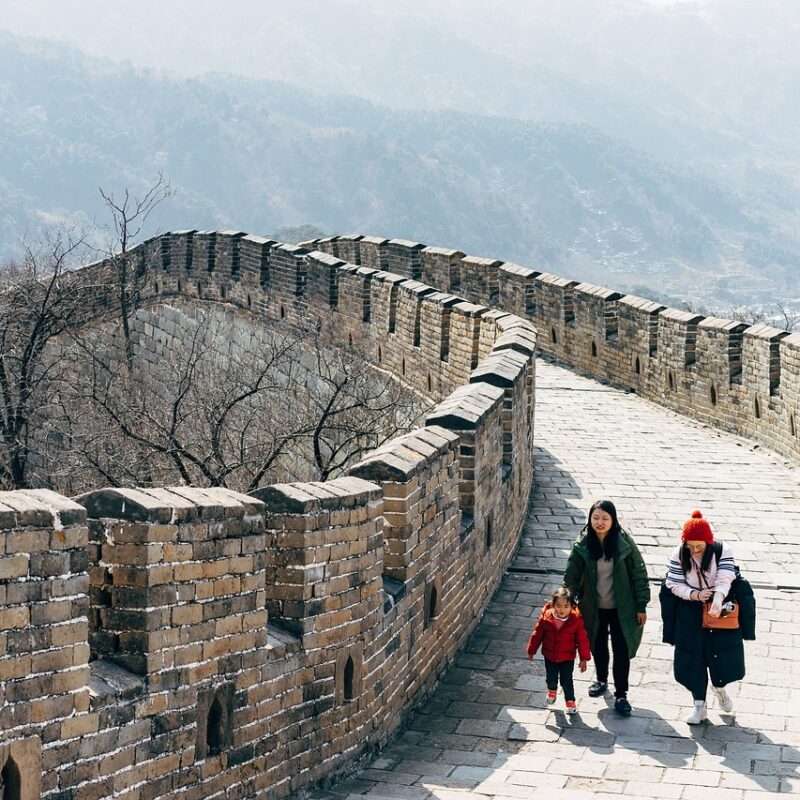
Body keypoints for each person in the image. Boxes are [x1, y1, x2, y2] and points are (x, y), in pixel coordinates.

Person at [662, 509, 751, 724]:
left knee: (722, 654)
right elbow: (673, 582)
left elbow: (725, 577)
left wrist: (717, 600)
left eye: (699, 546)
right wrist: (694, 595)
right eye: (690, 546)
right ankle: (699, 705)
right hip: (690, 609)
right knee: (693, 657)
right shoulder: (679, 553)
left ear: (708, 542)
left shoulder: (722, 550)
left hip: (720, 605)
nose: (694, 550)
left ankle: (719, 689)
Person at [563, 499, 650, 716]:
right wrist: (568, 600)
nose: (600, 522)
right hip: (593, 607)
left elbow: (639, 575)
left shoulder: (624, 543)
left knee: (621, 649)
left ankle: (621, 694)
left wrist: (641, 605)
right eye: (596, 517)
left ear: (613, 520)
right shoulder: (583, 544)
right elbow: (571, 576)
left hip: (623, 608)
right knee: (598, 644)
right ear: (590, 519)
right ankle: (601, 680)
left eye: (604, 518)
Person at [526, 587, 591, 714]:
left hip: (567, 657)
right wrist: (532, 649)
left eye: (566, 606)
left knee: (566, 680)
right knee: (551, 677)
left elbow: (582, 640)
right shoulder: (546, 619)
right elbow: (537, 634)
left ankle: (570, 701)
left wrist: (584, 658)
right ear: (553, 604)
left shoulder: (576, 621)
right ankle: (552, 690)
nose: (562, 610)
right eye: (558, 606)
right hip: (550, 655)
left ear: (572, 606)